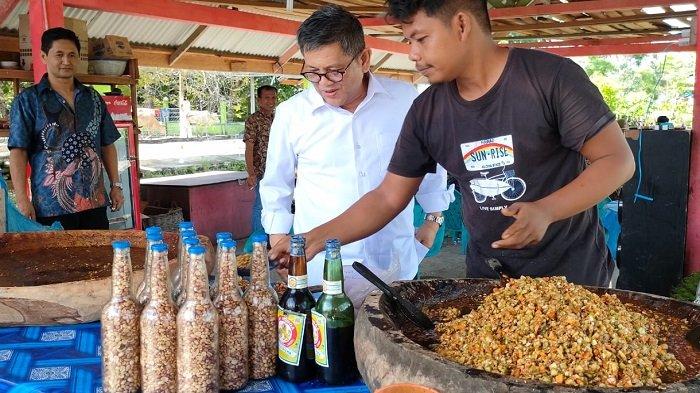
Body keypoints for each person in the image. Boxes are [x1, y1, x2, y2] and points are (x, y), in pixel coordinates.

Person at [271, 0, 636, 287]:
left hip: (574, 277)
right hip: (486, 280)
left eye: (421, 38)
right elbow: (387, 197)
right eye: (408, 41)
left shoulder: (550, 78)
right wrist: (312, 238)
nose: (412, 54)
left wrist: (546, 210)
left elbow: (617, 161)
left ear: (461, 25)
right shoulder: (427, 110)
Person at [261, 5, 451, 305]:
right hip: (320, 268)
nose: (325, 83)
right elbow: (276, 185)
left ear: (363, 59)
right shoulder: (292, 114)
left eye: (335, 70)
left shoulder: (402, 100)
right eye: (314, 72)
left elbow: (430, 166)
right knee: (328, 348)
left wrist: (433, 220)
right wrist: (279, 242)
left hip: (393, 260)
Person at [8, 27, 124, 230]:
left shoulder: (93, 98)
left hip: (94, 202)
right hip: (51, 207)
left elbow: (107, 144)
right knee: (57, 262)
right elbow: (18, 151)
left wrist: (116, 185)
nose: (66, 61)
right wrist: (22, 199)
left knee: (98, 260)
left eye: (72, 55)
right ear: (44, 56)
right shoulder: (28, 100)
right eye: (59, 55)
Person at [244, 85, 278, 237]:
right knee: (260, 204)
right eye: (267, 98)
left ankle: (275, 236)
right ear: (259, 100)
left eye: (273, 98)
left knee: (278, 203)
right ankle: (258, 240)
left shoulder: (278, 119)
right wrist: (251, 173)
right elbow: (249, 148)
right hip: (261, 171)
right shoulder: (253, 120)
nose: (270, 101)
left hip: (278, 169)